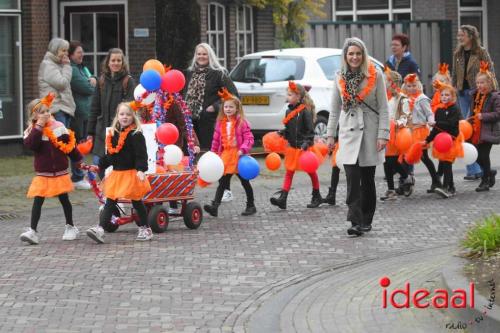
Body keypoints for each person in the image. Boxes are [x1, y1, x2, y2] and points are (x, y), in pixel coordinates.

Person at [327, 37, 389, 236]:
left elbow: (384, 108)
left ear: (364, 55)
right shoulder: (339, 76)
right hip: (348, 133)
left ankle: (366, 217)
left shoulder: (376, 75)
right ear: (345, 56)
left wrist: (383, 135)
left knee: (367, 179)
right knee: (352, 178)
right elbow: (334, 109)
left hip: (370, 131)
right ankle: (354, 220)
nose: (354, 57)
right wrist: (330, 134)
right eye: (351, 53)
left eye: (358, 53)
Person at [20, 93, 83, 245]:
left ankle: (70, 227)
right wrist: (39, 127)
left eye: (47, 111)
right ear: (34, 115)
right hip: (43, 173)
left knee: (64, 199)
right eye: (41, 112)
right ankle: (33, 231)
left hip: (60, 171)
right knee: (38, 200)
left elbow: (70, 147)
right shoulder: (32, 130)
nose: (46, 114)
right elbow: (31, 145)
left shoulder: (59, 127)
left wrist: (78, 160)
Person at [86, 102, 153, 243]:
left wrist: (141, 169)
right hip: (117, 174)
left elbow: (141, 154)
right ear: (117, 116)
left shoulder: (136, 135)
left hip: (131, 173)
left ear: (133, 116)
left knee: (137, 202)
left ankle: (145, 228)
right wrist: (99, 166)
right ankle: (100, 229)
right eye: (122, 114)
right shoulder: (114, 134)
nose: (125, 117)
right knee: (110, 201)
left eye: (128, 114)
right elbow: (111, 155)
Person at [183, 43, 238, 203]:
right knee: (190, 155)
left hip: (210, 122)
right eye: (199, 54)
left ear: (210, 56)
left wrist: (215, 107)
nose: (201, 57)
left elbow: (233, 96)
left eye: (204, 54)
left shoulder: (219, 74)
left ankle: (226, 189)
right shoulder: (188, 73)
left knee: (218, 157)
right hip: (190, 122)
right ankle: (186, 190)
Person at [452, 25, 497, 180]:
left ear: (471, 36)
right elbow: (454, 73)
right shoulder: (457, 53)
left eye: (462, 35)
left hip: (477, 93)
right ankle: (474, 170)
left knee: (471, 129)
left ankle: (478, 169)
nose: (459, 38)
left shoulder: (481, 52)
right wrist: (453, 91)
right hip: (462, 93)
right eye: (458, 35)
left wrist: (493, 92)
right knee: (465, 129)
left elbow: (490, 71)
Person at [270, 81, 323, 210]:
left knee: (311, 171)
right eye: (287, 94)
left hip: (304, 148)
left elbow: (310, 132)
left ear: (298, 96)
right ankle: (283, 199)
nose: (287, 97)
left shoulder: (305, 111)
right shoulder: (288, 111)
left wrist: (306, 143)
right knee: (289, 172)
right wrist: (283, 133)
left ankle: (317, 196)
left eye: (290, 94)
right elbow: (288, 129)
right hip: (293, 148)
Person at [203, 89, 256, 217]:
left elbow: (249, 138)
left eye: (231, 107)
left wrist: (243, 149)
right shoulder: (220, 123)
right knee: (223, 181)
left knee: (244, 181)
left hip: (239, 155)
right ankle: (214, 206)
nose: (228, 109)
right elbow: (216, 139)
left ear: (237, 109)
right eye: (226, 106)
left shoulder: (242, 122)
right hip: (226, 155)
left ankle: (251, 205)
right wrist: (214, 153)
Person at [87, 48, 135, 178]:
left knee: (119, 166)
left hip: (120, 131)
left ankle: (116, 195)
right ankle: (106, 194)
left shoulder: (128, 81)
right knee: (100, 165)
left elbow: (131, 108)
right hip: (102, 131)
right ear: (108, 62)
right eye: (113, 60)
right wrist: (90, 131)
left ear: (123, 62)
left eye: (119, 60)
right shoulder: (101, 81)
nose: (116, 63)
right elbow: (94, 108)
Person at [402, 74, 440, 193]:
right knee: (405, 157)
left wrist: (431, 120)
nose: (412, 88)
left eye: (414, 85)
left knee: (424, 157)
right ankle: (407, 182)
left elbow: (429, 113)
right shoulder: (404, 99)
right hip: (408, 131)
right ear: (406, 86)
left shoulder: (422, 99)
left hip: (420, 131)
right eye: (409, 86)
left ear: (418, 85)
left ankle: (436, 181)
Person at [425, 84, 463, 198]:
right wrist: (427, 140)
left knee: (447, 164)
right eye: (442, 95)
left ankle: (446, 187)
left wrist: (437, 123)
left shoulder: (455, 109)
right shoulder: (439, 110)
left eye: (447, 95)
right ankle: (451, 187)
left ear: (453, 96)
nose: (444, 97)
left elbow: (451, 124)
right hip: (442, 141)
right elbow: (436, 130)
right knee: (445, 163)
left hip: (452, 140)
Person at [382, 68, 413, 200]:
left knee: (392, 161)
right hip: (385, 132)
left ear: (392, 83)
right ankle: (390, 189)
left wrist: (397, 123)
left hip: (396, 134)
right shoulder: (385, 98)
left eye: (386, 81)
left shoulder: (402, 99)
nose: (383, 83)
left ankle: (406, 176)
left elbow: (406, 116)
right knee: (386, 161)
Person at [468, 63, 500, 192]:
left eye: (482, 83)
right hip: (475, 130)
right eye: (477, 83)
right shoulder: (475, 95)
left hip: (488, 131)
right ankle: (489, 172)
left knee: (483, 155)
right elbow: (473, 112)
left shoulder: (495, 96)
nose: (479, 86)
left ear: (490, 83)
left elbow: (498, 114)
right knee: (475, 155)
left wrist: (484, 116)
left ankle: (485, 180)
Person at [68, 40, 96, 190]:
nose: (82, 55)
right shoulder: (72, 70)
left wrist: (93, 80)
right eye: (79, 52)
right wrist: (91, 82)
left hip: (85, 111)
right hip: (78, 112)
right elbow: (88, 88)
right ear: (71, 54)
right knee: (78, 144)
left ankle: (80, 174)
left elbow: (94, 78)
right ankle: (77, 176)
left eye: (82, 52)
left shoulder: (81, 68)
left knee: (82, 143)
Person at [38, 38, 75, 127]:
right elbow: (62, 84)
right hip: (56, 109)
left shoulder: (58, 64)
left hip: (63, 108)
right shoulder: (48, 65)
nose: (66, 53)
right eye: (63, 50)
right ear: (55, 50)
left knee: (66, 139)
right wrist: (67, 66)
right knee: (60, 138)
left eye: (67, 51)